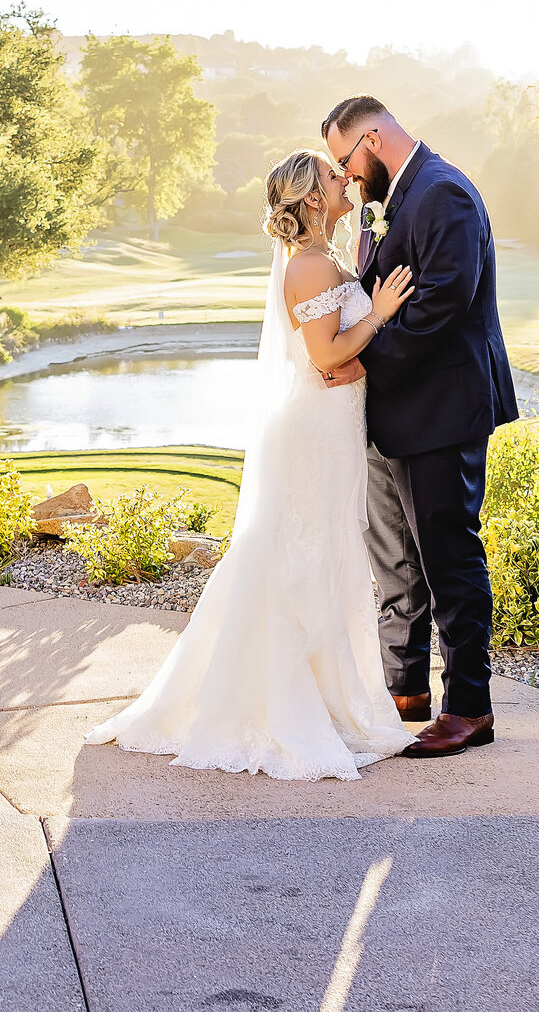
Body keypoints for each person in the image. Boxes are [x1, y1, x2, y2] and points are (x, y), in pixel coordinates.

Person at [85, 150, 416, 781]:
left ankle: (327, 698)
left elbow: (341, 357)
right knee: (299, 556)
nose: (345, 179)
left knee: (324, 554)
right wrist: (379, 314)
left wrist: (363, 348)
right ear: (313, 198)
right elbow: (325, 357)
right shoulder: (310, 266)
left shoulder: (327, 258)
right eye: (333, 175)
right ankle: (278, 706)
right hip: (314, 432)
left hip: (335, 424)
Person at [322, 97, 518, 757]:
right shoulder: (396, 196)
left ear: (372, 137)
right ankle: (404, 690)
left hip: (442, 409)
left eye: (345, 160)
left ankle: (470, 706)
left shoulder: (444, 195)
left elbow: (440, 307)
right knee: (398, 559)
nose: (345, 177)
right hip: (397, 410)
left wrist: (355, 355)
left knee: (449, 558)